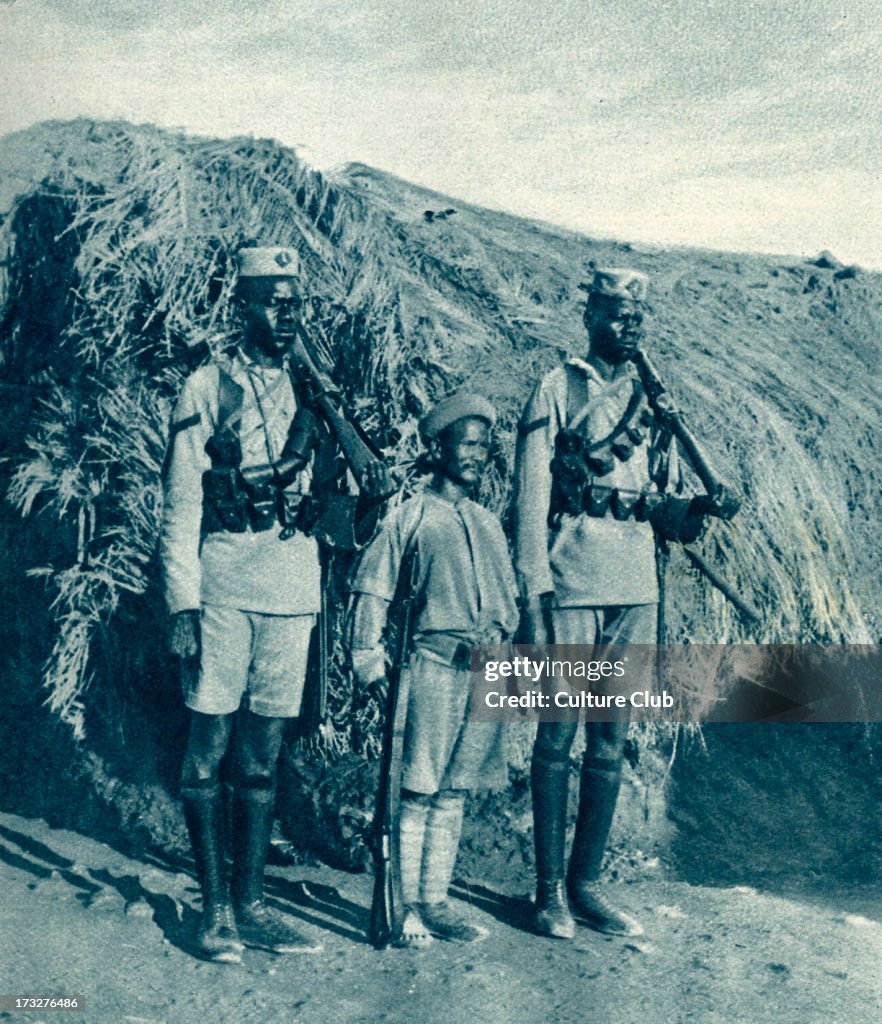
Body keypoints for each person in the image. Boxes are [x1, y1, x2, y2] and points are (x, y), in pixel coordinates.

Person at [161, 245, 385, 963]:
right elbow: (181, 507)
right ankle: (215, 909)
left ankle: (253, 904)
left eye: (295, 304)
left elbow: (331, 502)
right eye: (271, 302)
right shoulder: (207, 386)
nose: (285, 316)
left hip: (292, 586)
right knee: (207, 752)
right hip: (224, 580)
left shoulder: (312, 392)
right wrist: (181, 606)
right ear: (244, 306)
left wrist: (367, 500)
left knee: (261, 755)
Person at [514, 267, 680, 940]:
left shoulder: (653, 397)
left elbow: (660, 495)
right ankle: (548, 890)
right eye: (614, 312)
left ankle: (587, 884)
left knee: (610, 741)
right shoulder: (557, 388)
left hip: (635, 583)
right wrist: (531, 591)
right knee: (556, 735)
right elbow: (529, 500)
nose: (627, 324)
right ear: (590, 316)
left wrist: (689, 511)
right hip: (571, 578)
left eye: (636, 314)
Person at [348, 393, 519, 948]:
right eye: (465, 442)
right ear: (437, 447)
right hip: (430, 672)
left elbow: (508, 606)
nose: (477, 453)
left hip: (486, 674)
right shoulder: (411, 517)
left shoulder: (490, 523)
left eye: (484, 443)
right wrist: (369, 662)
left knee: (455, 792)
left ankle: (435, 899)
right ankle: (400, 905)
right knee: (418, 791)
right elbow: (372, 588)